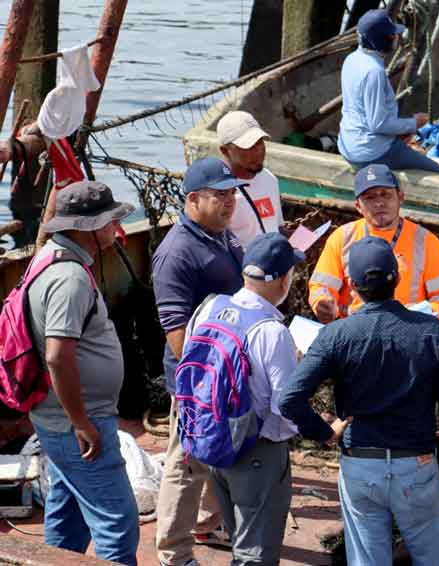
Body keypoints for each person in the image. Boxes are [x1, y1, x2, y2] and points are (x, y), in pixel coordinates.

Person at [280, 236, 439, 566]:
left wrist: (324, 432)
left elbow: (290, 399)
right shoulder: (432, 332)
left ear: (351, 284)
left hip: (360, 464)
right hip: (417, 464)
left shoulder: (337, 334)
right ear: (397, 278)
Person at [26, 181, 138, 564]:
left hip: (57, 418)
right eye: (110, 221)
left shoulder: (49, 256)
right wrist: (81, 422)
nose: (115, 228)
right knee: (117, 523)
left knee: (67, 516)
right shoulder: (70, 278)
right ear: (89, 227)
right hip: (77, 423)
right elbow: (57, 356)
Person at [152, 157, 248, 566]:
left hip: (225, 373)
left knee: (212, 456)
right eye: (219, 195)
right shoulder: (177, 252)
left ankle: (209, 522)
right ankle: (173, 552)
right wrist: (206, 387)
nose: (230, 203)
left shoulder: (219, 235)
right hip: (199, 382)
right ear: (193, 199)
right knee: (186, 464)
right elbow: (177, 334)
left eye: (232, 194)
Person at [186, 232, 303, 565]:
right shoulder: (272, 331)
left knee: (239, 537)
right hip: (258, 453)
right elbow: (288, 407)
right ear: (283, 279)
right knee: (256, 554)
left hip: (214, 442)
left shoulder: (210, 306)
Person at [309, 163, 439, 322]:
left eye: (385, 194)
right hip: (353, 331)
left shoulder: (427, 242)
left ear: (400, 197)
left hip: (407, 331)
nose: (379, 203)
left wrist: (424, 317)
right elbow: (321, 286)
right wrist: (322, 302)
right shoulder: (342, 237)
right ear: (358, 206)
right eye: (370, 197)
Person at [338, 9, 439, 174]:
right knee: (437, 172)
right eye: (392, 35)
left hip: (348, 144)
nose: (397, 38)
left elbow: (365, 115)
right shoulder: (374, 72)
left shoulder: (351, 59)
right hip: (369, 153)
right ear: (381, 40)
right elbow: (378, 124)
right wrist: (414, 123)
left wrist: (401, 130)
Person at [217, 110, 285, 247]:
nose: (258, 151)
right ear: (225, 150)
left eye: (260, 142)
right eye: (248, 146)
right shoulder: (216, 193)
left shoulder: (269, 179)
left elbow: (277, 227)